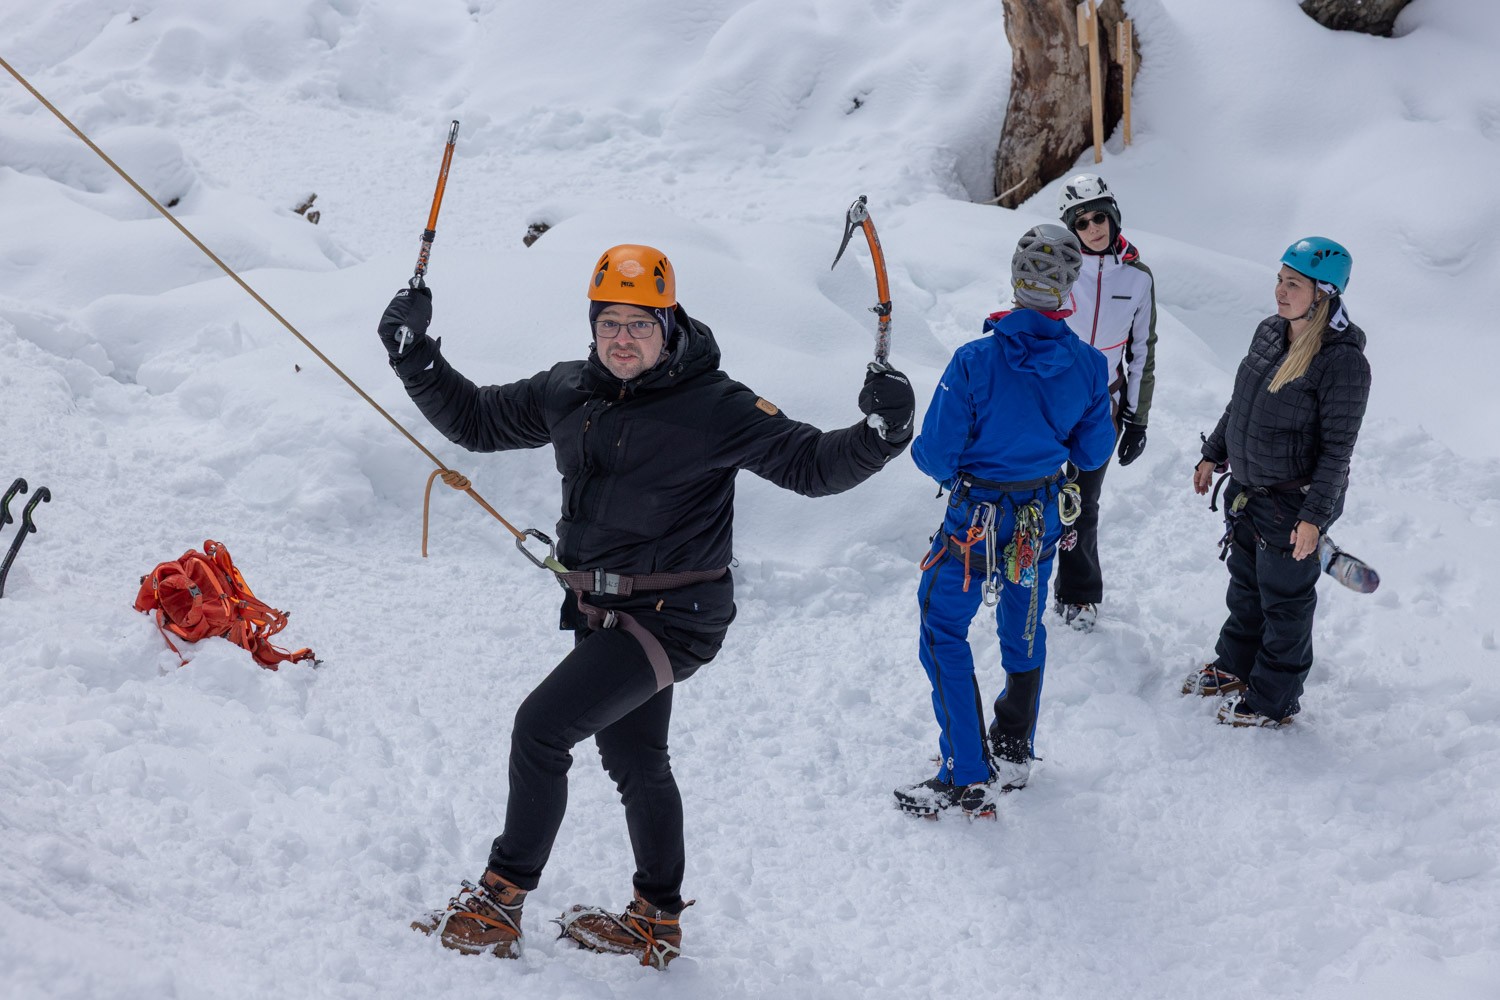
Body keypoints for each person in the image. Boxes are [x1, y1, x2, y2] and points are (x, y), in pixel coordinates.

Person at [379, 244, 915, 966]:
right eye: (609, 324)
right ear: (593, 326)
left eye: (639, 323)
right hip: (602, 609)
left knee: (541, 729)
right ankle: (656, 919)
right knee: (635, 756)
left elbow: (810, 465)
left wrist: (880, 438)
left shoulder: (715, 405)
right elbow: (477, 420)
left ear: (669, 324)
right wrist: (415, 358)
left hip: (678, 617)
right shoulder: (571, 389)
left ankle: (502, 898)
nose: (622, 339)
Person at [895, 225, 1116, 818]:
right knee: (1023, 617)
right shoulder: (1090, 366)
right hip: (1035, 520)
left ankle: (966, 772)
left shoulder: (975, 362)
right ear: (1069, 287)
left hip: (976, 522)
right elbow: (1094, 453)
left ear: (1016, 279)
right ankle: (1013, 744)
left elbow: (933, 455)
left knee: (943, 627)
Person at [1187, 237, 1369, 727]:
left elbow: (1338, 451)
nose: (1280, 291)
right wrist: (1213, 453)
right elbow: (1241, 403)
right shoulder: (1271, 332)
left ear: (1323, 293)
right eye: (1280, 279)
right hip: (1249, 493)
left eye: (1294, 284)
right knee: (1246, 586)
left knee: (1285, 603)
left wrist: (1314, 519)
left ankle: (1274, 697)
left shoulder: (1342, 361)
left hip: (1293, 505)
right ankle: (1236, 666)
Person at [1052, 173, 1159, 632]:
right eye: (1082, 222)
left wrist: (1137, 420)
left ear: (1113, 217)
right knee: (1034, 491)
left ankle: (1077, 593)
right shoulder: (1057, 268)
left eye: (1100, 217)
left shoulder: (1137, 278)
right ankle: (1022, 575)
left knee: (1081, 499)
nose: (1093, 228)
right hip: (1050, 403)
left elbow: (1142, 352)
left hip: (1102, 408)